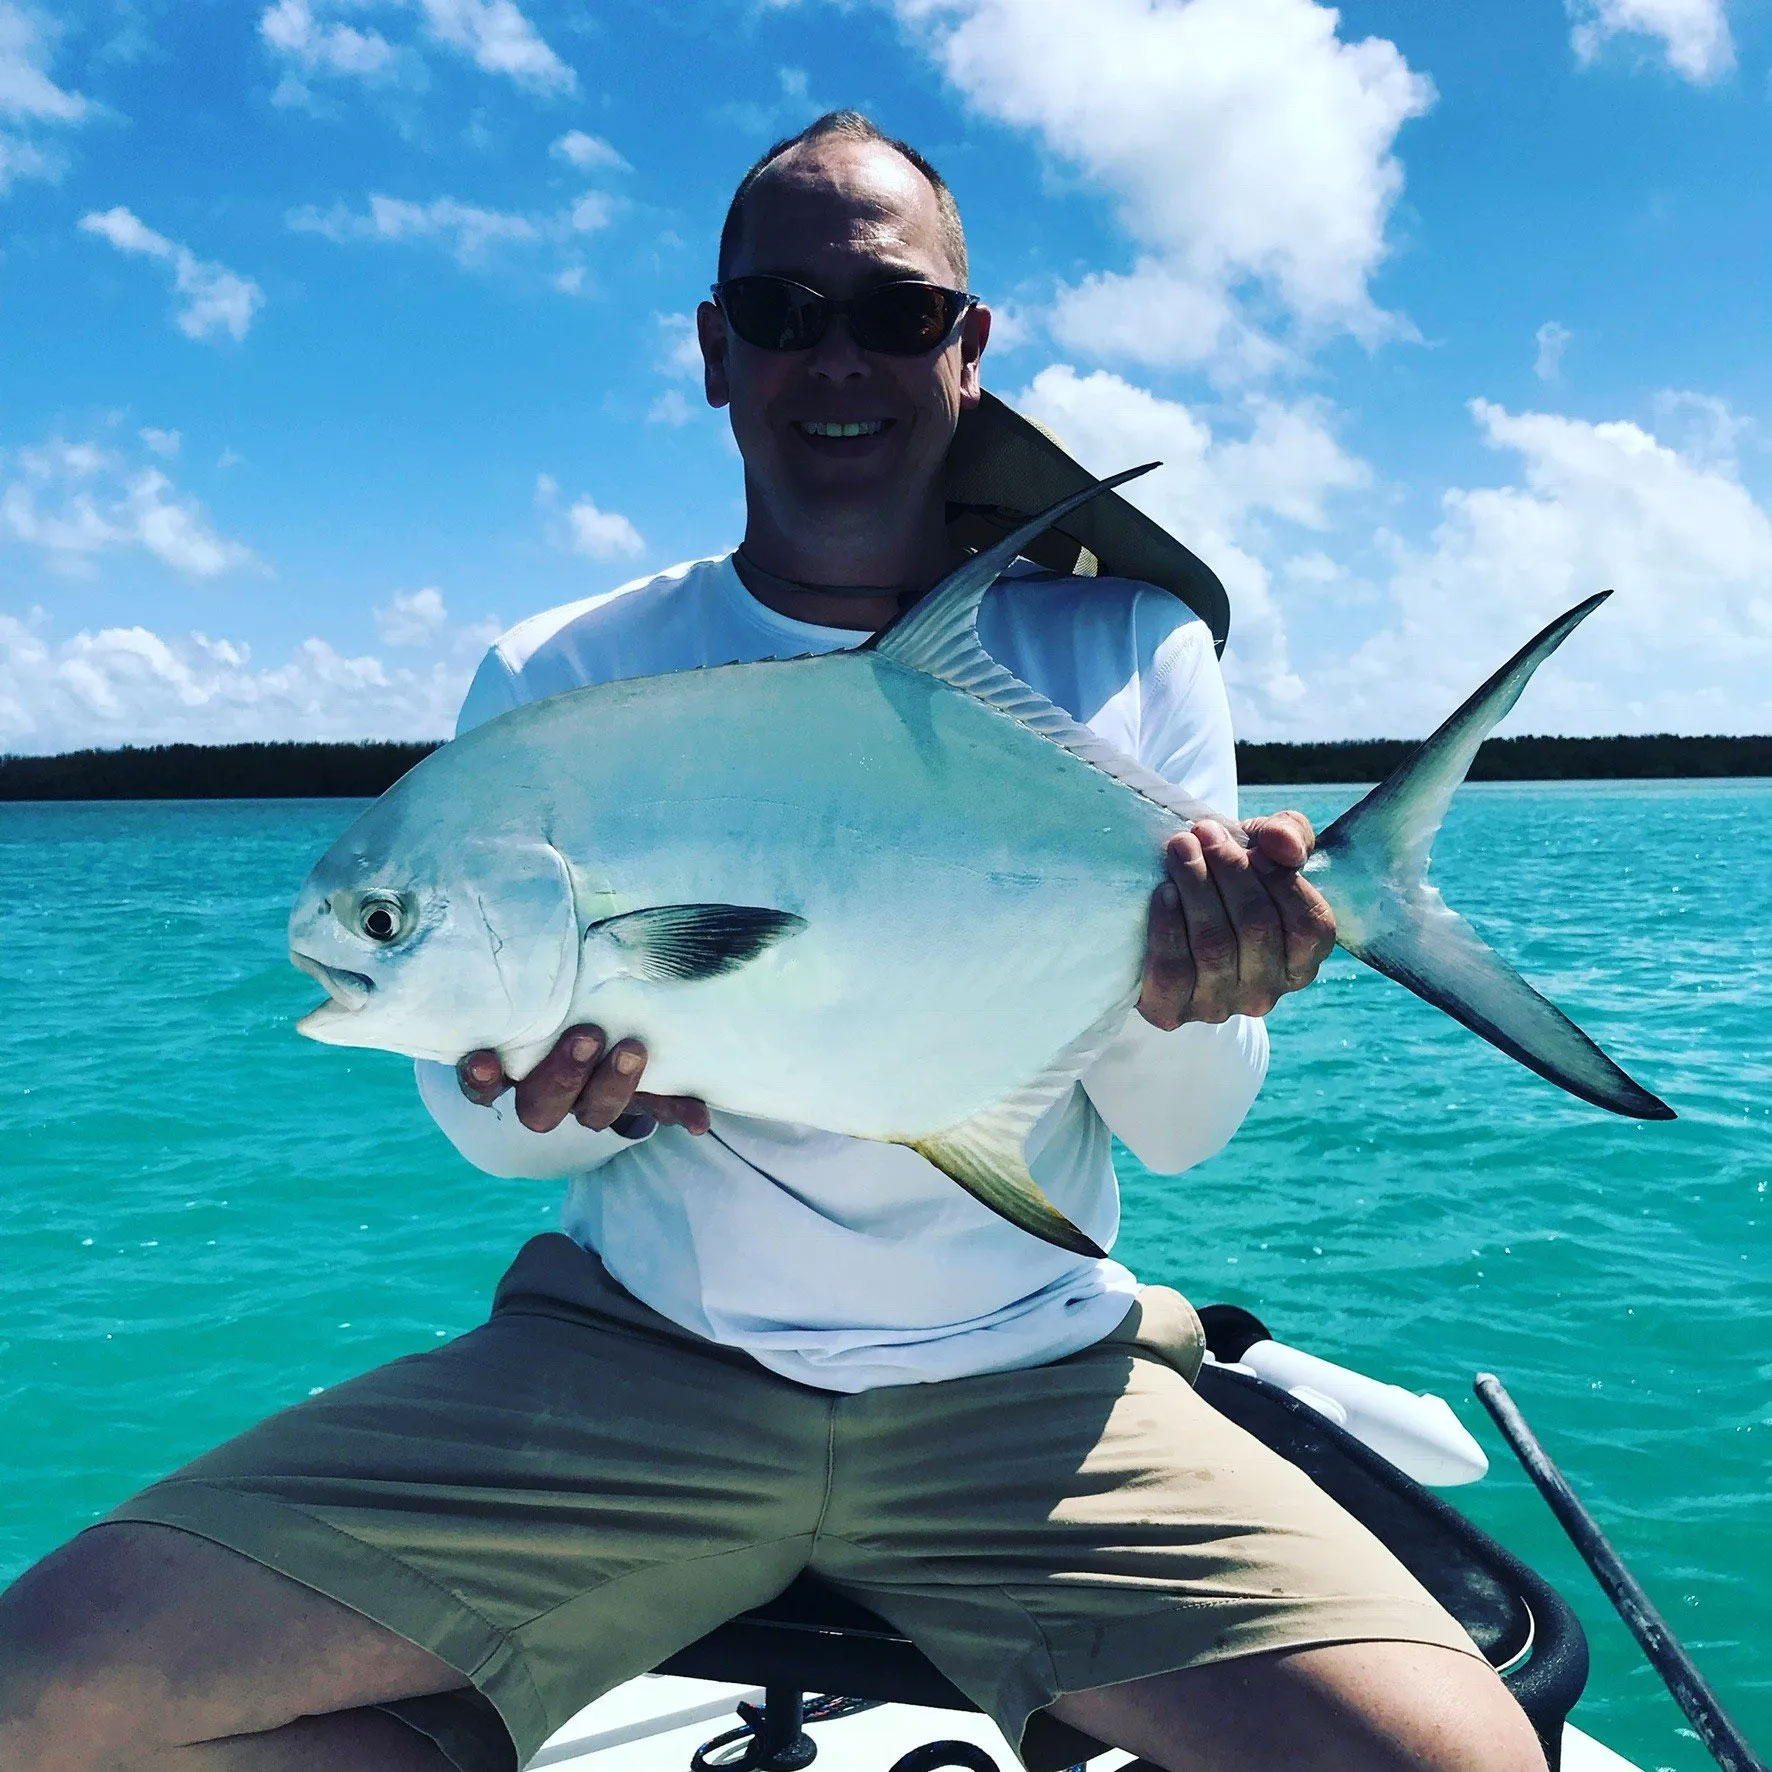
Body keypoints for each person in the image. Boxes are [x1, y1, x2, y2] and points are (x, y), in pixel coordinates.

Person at [0, 112, 1547, 1772]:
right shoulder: (563, 669)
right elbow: (498, 1143)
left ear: (968, 349)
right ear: (714, 349)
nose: (839, 360)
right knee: (36, 1697)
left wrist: (1182, 978)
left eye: (891, 315)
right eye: (785, 312)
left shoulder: (1125, 648)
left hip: (1030, 1389)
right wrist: (535, 1103)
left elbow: (1189, 1130)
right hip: (637, 1366)